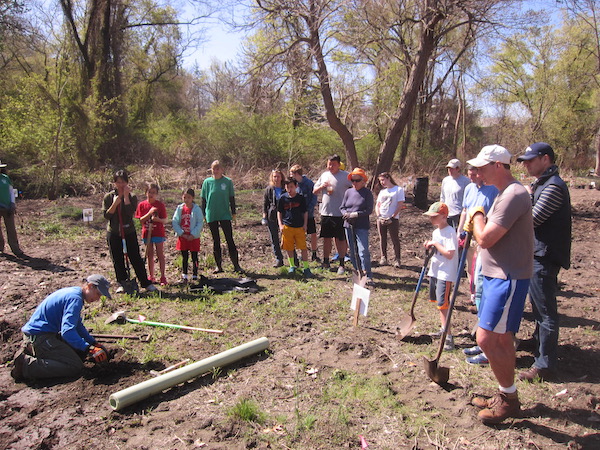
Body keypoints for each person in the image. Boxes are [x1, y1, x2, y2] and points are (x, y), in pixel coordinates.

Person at [464, 144, 533, 424]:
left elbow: (485, 238)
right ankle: (506, 395)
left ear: (499, 166)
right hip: (498, 275)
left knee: (486, 338)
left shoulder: (514, 195)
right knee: (501, 338)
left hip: (508, 278)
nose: (477, 172)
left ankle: (508, 400)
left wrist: (476, 216)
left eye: (482, 167)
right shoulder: (505, 194)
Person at [517, 142, 571, 382]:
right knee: (538, 306)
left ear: (546, 159)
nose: (526, 164)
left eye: (530, 159)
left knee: (546, 310)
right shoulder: (542, 184)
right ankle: (539, 344)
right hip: (537, 253)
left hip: (545, 255)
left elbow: (533, 219)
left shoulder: (554, 187)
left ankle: (545, 363)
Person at [10, 275, 113, 381]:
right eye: (98, 294)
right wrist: (88, 348)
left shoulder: (74, 293)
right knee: (74, 366)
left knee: (77, 349)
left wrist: (93, 343)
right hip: (38, 337)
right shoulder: (75, 299)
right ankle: (27, 365)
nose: (98, 299)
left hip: (42, 334)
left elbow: (77, 326)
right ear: (90, 286)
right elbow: (67, 332)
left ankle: (34, 351)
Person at [458, 164, 499, 365]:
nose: (472, 175)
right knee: (473, 277)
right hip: (470, 237)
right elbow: (465, 211)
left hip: (487, 240)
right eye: (470, 172)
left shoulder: (494, 189)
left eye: (475, 172)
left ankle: (488, 343)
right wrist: (460, 231)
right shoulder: (469, 188)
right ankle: (482, 340)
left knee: (484, 286)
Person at [102, 170, 158, 294]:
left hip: (128, 231)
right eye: (118, 182)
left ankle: (145, 282)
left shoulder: (132, 197)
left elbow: (130, 213)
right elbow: (106, 215)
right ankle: (122, 282)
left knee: (135, 257)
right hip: (114, 232)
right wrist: (115, 204)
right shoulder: (109, 197)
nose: (121, 185)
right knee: (117, 258)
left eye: (123, 182)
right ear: (114, 183)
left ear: (127, 182)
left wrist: (126, 197)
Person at [423, 202, 459, 350]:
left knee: (444, 305)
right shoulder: (436, 232)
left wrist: (436, 244)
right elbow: (437, 249)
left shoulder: (450, 232)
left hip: (446, 273)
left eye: (434, 216)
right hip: (435, 270)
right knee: (439, 305)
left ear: (444, 216)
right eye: (430, 216)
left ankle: (449, 337)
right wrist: (430, 245)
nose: (431, 219)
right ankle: (444, 328)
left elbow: (450, 254)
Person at [201, 160, 243, 274]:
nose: (216, 171)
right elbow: (203, 199)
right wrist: (203, 214)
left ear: (222, 170)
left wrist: (233, 213)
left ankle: (236, 265)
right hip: (212, 213)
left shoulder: (227, 182)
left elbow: (231, 198)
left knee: (229, 239)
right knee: (216, 240)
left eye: (218, 168)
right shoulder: (207, 182)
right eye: (214, 169)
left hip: (224, 213)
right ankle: (219, 266)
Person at [313, 154, 352, 274]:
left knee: (340, 239)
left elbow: (354, 189)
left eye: (333, 164)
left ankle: (341, 263)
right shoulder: (324, 175)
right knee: (326, 238)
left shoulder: (346, 176)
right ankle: (326, 262)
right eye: (329, 164)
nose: (330, 166)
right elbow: (314, 191)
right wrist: (322, 186)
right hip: (326, 212)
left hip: (340, 213)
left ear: (339, 164)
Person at [340, 168, 374, 285]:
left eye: (357, 180)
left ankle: (368, 275)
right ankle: (357, 273)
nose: (354, 183)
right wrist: (345, 213)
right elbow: (342, 207)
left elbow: (369, 210)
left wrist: (356, 214)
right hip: (348, 225)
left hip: (361, 225)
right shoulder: (348, 192)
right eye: (352, 180)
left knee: (363, 250)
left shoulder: (367, 193)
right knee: (353, 251)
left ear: (363, 180)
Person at [277, 177, 313, 278]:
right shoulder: (283, 198)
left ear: (296, 187)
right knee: (289, 248)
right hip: (287, 226)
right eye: (287, 187)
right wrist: (280, 224)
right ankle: (292, 266)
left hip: (299, 227)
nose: (290, 189)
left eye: (292, 187)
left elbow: (305, 212)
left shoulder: (300, 198)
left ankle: (306, 268)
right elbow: (279, 212)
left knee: (303, 248)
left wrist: (305, 224)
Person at [136, 183, 169, 285]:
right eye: (149, 192)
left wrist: (157, 219)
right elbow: (141, 220)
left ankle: (163, 276)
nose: (151, 194)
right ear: (146, 192)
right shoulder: (142, 205)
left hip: (158, 233)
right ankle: (151, 276)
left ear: (157, 194)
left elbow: (165, 220)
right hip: (147, 233)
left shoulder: (160, 205)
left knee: (160, 254)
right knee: (150, 254)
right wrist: (149, 213)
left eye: (154, 193)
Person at [172, 188, 204, 283]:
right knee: (184, 256)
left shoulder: (197, 209)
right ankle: (184, 275)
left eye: (189, 197)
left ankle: (195, 274)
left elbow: (200, 223)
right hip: (183, 237)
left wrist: (193, 234)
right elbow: (175, 221)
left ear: (193, 198)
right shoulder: (180, 209)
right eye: (184, 197)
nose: (186, 199)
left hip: (193, 237)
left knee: (194, 256)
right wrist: (181, 233)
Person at [290, 164, 320, 262]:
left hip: (309, 213)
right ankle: (301, 254)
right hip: (298, 214)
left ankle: (314, 253)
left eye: (292, 173)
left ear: (297, 173)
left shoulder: (309, 183)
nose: (290, 175)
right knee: (299, 234)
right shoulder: (294, 184)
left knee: (312, 233)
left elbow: (314, 197)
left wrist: (308, 209)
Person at [375, 172, 405, 268]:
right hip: (381, 218)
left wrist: (392, 216)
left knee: (394, 239)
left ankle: (397, 259)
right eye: (380, 181)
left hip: (393, 219)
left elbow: (400, 205)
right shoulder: (382, 192)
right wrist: (379, 216)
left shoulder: (398, 190)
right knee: (382, 238)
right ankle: (383, 257)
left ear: (388, 178)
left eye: (383, 180)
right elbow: (378, 205)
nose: (382, 182)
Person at [0, 160, 24, 257]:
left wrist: (13, 203)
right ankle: (0, 248)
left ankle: (15, 248)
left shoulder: (5, 178)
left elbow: (11, 191)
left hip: (8, 206)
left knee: (11, 228)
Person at [262, 169, 285, 267]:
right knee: (274, 238)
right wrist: (264, 217)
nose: (276, 178)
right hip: (272, 215)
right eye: (274, 176)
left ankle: (294, 259)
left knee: (287, 238)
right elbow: (265, 204)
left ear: (281, 177)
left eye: (278, 176)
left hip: (285, 215)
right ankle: (279, 259)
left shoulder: (285, 187)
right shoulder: (269, 189)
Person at [440, 159, 470, 229]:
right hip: (446, 214)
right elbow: (442, 197)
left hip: (458, 214)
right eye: (448, 168)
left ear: (458, 169)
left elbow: (468, 199)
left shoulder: (466, 181)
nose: (450, 170)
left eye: (452, 168)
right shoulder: (445, 180)